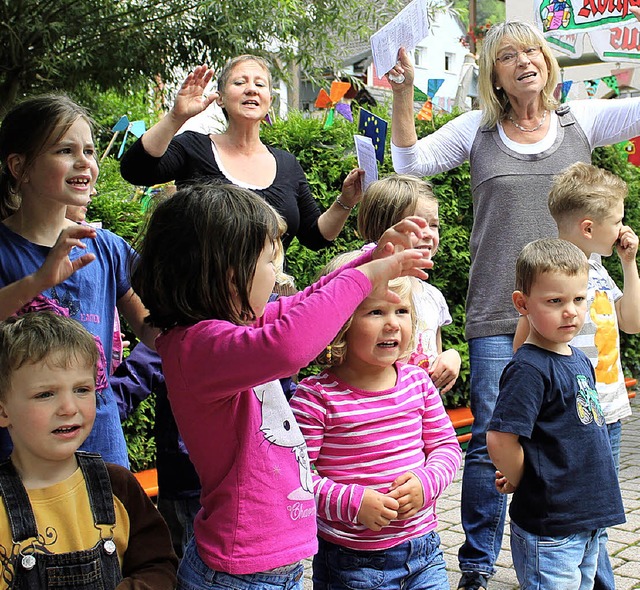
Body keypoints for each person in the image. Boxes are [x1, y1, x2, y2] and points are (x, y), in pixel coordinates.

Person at [387, 19, 640, 589]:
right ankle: (477, 565)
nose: (523, 60)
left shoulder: (583, 121)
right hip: (501, 310)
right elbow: (407, 163)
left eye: (533, 50)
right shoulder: (476, 133)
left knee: (584, 432)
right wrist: (403, 94)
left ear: (548, 62)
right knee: (491, 440)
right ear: (494, 76)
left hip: (571, 307)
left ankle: (592, 572)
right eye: (508, 56)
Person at [129, 181, 431, 588]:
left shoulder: (230, 331)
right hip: (238, 574)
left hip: (265, 567)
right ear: (228, 273)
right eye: (270, 262)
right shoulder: (198, 348)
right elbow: (291, 345)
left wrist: (373, 257)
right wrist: (369, 275)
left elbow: (305, 302)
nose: (278, 275)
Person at [289, 251, 462, 589]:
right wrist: (353, 503)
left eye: (402, 311)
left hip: (424, 550)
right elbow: (297, 481)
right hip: (353, 562)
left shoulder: (417, 382)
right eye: (376, 311)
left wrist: (427, 483)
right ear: (340, 321)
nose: (393, 323)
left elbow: (446, 447)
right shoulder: (317, 397)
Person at [0, 94, 156, 468]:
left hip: (100, 440)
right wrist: (38, 280)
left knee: (107, 529)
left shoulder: (107, 248)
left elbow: (157, 329)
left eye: (89, 150)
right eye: (65, 150)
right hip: (16, 449)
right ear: (19, 166)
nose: (84, 161)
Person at [0, 311, 178, 589]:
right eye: (46, 394)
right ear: (3, 410)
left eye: (82, 390)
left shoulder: (117, 486)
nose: (69, 408)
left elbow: (157, 565)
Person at [486, 238, 625, 589]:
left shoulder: (576, 358)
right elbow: (501, 438)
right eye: (555, 301)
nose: (571, 311)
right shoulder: (529, 368)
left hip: (586, 518)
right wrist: (522, 478)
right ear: (523, 304)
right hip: (551, 526)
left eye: (579, 299)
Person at [120, 56, 363, 252]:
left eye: (260, 84)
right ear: (221, 99)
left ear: (269, 99)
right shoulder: (193, 147)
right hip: (202, 301)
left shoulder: (287, 164)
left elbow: (315, 237)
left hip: (269, 304)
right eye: (239, 83)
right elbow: (136, 170)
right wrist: (176, 116)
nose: (251, 90)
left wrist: (346, 201)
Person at [547, 162, 640, 587]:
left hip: (610, 408)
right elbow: (525, 347)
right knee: (583, 507)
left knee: (601, 506)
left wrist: (628, 263)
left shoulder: (600, 269)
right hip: (574, 415)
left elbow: (632, 322)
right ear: (588, 227)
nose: (623, 227)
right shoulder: (551, 273)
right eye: (618, 220)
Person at [357, 174, 461, 394]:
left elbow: (435, 353)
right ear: (384, 228)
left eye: (434, 225)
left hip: (421, 410)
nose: (428, 234)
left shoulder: (432, 296)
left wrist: (450, 358)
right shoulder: (366, 286)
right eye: (416, 225)